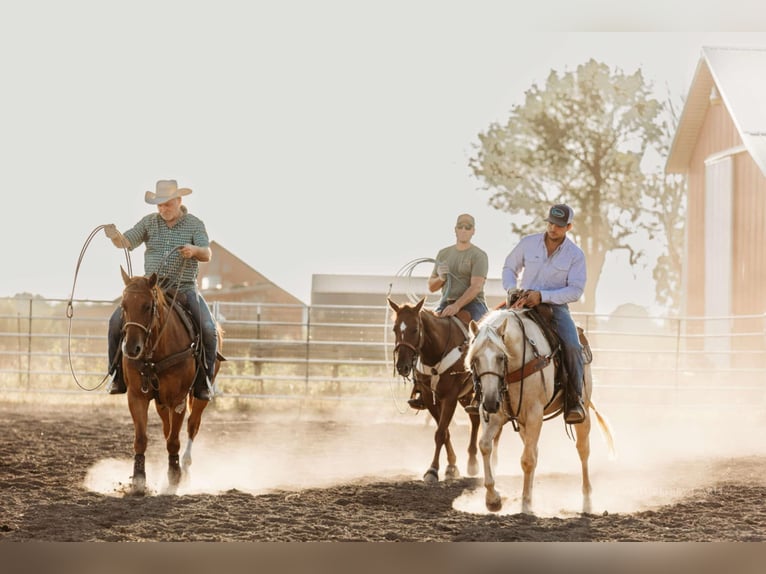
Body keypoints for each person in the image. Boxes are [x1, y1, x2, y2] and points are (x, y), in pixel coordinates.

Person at [103, 179, 218, 401]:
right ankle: (116, 374)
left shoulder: (194, 224)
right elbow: (126, 242)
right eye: (160, 205)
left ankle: (204, 379)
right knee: (115, 322)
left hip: (183, 288)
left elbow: (207, 253)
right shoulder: (149, 223)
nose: (164, 209)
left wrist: (194, 250)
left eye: (168, 204)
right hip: (150, 288)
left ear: (178, 201)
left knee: (208, 328)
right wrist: (115, 236)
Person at [500, 203, 587, 424]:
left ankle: (574, 399)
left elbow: (575, 290)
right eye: (550, 223)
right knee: (489, 333)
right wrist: (512, 289)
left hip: (554, 308)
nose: (552, 229)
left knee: (572, 345)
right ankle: (483, 392)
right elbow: (509, 267)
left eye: (558, 225)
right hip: (521, 302)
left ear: (568, 226)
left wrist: (542, 296)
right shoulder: (528, 244)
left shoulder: (575, 255)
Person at [408, 213, 489, 411]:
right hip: (446, 304)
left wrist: (457, 306)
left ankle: (482, 391)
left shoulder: (479, 255)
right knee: (422, 334)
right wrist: (442, 277)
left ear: (473, 231)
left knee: (483, 341)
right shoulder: (443, 254)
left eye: (468, 227)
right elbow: (432, 286)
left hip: (473, 305)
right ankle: (420, 386)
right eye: (460, 226)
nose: (464, 230)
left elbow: (476, 287)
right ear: (455, 229)